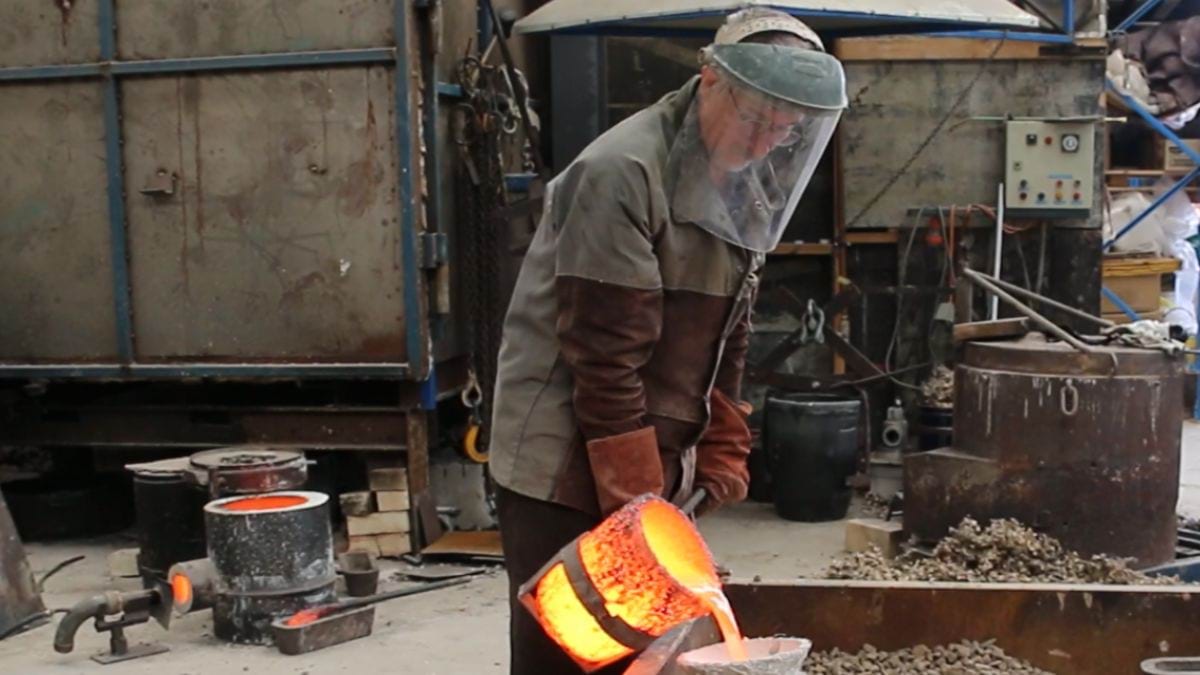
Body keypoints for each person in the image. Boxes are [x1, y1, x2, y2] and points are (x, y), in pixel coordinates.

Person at [488, 9, 848, 673]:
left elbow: (731, 328)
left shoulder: (750, 176)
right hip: (563, 463)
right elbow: (603, 358)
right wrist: (639, 506)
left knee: (646, 654)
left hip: (648, 452)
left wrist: (723, 439)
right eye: (757, 117)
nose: (769, 140)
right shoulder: (622, 172)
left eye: (786, 127)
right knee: (570, 655)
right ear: (710, 78)